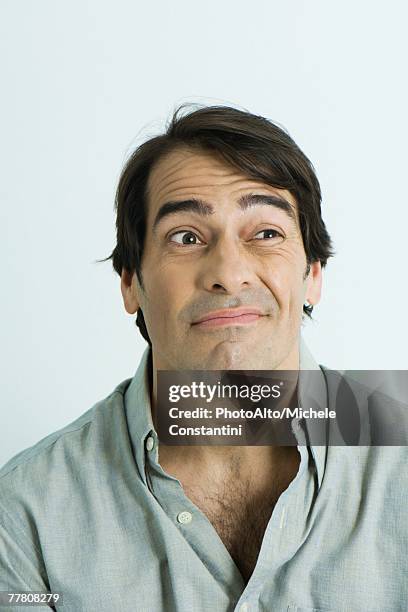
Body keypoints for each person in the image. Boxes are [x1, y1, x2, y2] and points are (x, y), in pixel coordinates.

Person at [0, 104, 407, 612]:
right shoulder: (22, 516)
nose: (229, 273)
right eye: (186, 237)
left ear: (313, 275)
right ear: (130, 282)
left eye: (266, 234)